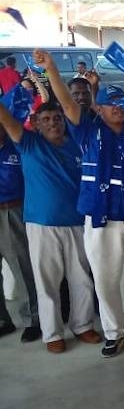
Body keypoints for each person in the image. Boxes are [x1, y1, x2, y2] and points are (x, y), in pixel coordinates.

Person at [44, 51, 124, 358]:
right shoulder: (87, 130)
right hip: (100, 217)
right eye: (112, 104)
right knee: (105, 276)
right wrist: (51, 70)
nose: (118, 109)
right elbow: (68, 103)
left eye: (122, 104)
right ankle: (115, 332)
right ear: (99, 107)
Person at [0, 99, 98, 352]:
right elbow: (8, 120)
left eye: (57, 118)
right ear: (36, 123)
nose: (53, 123)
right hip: (42, 225)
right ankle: (52, 333)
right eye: (46, 120)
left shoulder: (77, 144)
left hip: (77, 222)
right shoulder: (29, 143)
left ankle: (83, 325)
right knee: (47, 282)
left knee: (82, 279)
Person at [0, 107, 42, 343]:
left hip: (13, 211)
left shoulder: (17, 146)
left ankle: (32, 320)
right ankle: (3, 320)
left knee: (21, 267)